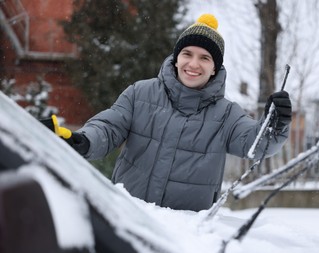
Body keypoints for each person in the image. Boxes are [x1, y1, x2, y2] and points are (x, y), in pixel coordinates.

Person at [64, 14, 292, 212]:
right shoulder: (140, 93)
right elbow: (109, 126)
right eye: (187, 54)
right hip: (129, 214)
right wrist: (84, 140)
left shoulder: (227, 114)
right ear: (176, 58)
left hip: (185, 231)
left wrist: (274, 124)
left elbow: (255, 144)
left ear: (215, 68)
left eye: (205, 58)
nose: (193, 64)